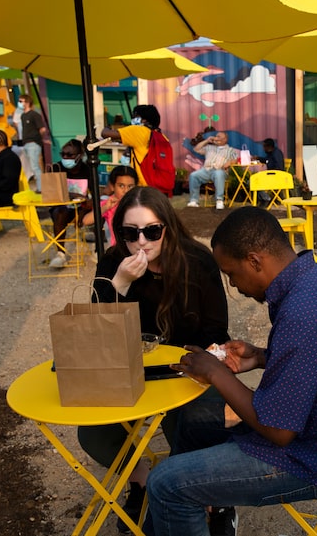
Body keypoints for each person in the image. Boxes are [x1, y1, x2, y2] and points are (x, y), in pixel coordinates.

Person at [143, 206, 317, 536]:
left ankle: (179, 503)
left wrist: (217, 373)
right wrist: (259, 357)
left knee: (166, 482)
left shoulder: (302, 311)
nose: (233, 284)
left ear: (255, 261)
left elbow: (277, 430)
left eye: (232, 274)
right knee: (194, 420)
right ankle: (185, 516)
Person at [80, 186, 230, 533]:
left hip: (188, 369)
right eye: (130, 233)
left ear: (168, 227)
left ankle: (210, 498)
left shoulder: (196, 260)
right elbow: (93, 332)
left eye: (152, 231)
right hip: (129, 367)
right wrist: (120, 283)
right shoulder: (115, 262)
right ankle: (144, 482)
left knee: (194, 423)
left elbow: (216, 331)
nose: (141, 242)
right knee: (94, 433)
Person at [46, 139, 91, 269]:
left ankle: (96, 247)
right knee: (60, 212)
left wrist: (87, 202)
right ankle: (60, 253)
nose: (66, 157)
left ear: (80, 155)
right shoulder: (56, 168)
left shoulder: (87, 170)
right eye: (63, 154)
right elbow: (51, 193)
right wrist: (73, 195)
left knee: (97, 208)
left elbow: (95, 194)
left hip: (81, 207)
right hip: (61, 207)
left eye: (70, 155)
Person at [101, 104, 163, 189]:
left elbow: (105, 134)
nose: (133, 119)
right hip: (158, 185)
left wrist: (107, 128)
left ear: (144, 120)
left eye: (135, 116)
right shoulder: (160, 135)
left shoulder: (138, 131)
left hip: (143, 185)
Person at [82, 165, 138, 247]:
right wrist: (105, 208)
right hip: (117, 249)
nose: (126, 190)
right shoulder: (109, 203)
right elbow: (86, 221)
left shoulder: (139, 203)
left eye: (130, 186)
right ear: (112, 186)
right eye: (121, 186)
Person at [186, 131, 239, 210]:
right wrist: (207, 140)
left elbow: (235, 159)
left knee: (218, 173)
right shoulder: (209, 148)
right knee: (193, 175)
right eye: (216, 136)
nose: (217, 138)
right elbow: (196, 149)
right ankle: (194, 201)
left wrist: (230, 162)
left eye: (219, 137)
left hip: (220, 170)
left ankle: (219, 200)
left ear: (225, 140)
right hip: (206, 170)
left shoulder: (230, 150)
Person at [16, 94, 50, 192]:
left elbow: (42, 129)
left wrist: (39, 138)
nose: (19, 103)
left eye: (21, 101)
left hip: (33, 143)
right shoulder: (23, 116)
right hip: (26, 143)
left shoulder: (34, 115)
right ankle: (39, 187)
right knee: (32, 167)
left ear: (27, 102)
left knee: (35, 166)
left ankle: (41, 188)